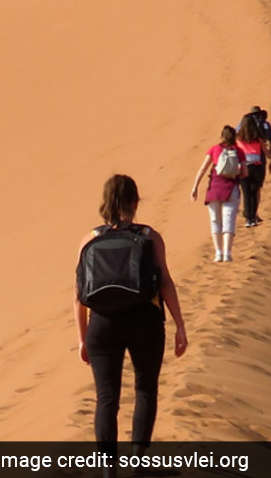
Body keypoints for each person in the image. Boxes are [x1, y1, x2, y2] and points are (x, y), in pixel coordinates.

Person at [75, 175, 188, 465]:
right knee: (145, 389)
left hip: (102, 324)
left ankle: (107, 469)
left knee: (106, 397)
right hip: (145, 320)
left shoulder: (90, 239)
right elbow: (165, 282)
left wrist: (82, 339)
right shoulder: (150, 236)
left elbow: (79, 296)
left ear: (105, 202)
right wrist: (179, 325)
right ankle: (137, 461)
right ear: (136, 202)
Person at [190, 126, 248, 262]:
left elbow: (203, 169)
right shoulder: (239, 151)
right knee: (229, 220)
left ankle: (218, 253)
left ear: (221, 136)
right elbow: (245, 173)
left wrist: (195, 187)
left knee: (215, 220)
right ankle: (228, 254)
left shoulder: (214, 149)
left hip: (215, 189)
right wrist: (235, 173)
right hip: (231, 189)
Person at [236, 114, 269, 227]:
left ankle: (248, 219)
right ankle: (253, 218)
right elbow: (267, 153)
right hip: (256, 167)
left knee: (246, 194)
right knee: (254, 193)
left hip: (243, 167)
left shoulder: (238, 138)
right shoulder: (258, 138)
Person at [239, 105, 271, 178]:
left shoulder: (244, 123)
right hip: (261, 154)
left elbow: (236, 138)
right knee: (258, 178)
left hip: (246, 156)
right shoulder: (265, 124)